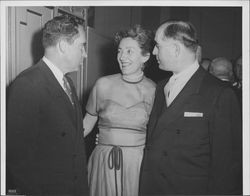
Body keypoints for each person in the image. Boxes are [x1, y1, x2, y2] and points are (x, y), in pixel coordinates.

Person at [139, 20, 242, 195]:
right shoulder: (161, 86)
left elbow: (227, 165)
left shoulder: (220, 94)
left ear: (176, 49)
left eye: (157, 45)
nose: (154, 51)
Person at [7, 15, 89, 195]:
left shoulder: (68, 83)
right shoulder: (27, 84)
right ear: (63, 46)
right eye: (81, 46)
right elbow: (18, 158)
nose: (85, 53)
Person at [83, 25, 155, 196]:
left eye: (129, 51)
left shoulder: (155, 91)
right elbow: (86, 124)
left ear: (145, 56)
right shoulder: (103, 84)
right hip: (103, 161)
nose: (122, 57)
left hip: (137, 164)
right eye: (119, 51)